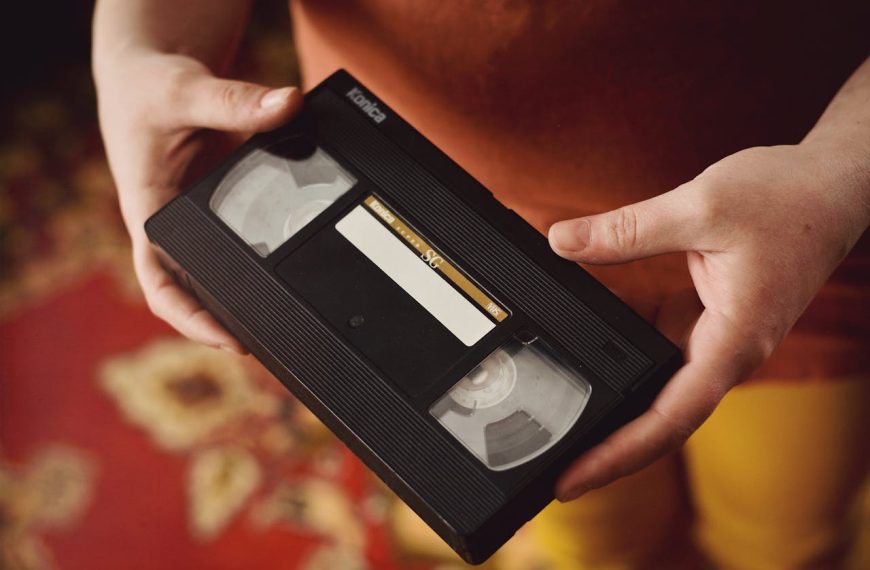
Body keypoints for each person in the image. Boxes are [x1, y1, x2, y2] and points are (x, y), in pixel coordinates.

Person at [93, 1, 870, 567]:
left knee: (785, 521)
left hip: (790, 228)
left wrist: (837, 175)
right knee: (581, 522)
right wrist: (135, 47)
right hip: (362, 166)